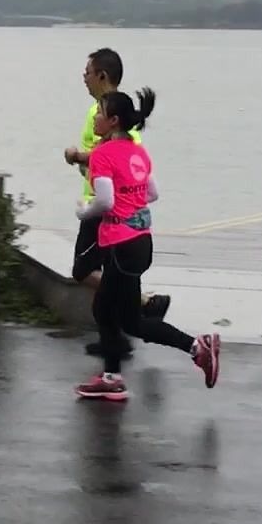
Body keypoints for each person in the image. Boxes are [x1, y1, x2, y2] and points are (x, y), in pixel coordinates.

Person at [73, 88, 220, 401]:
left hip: (122, 244)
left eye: (100, 112)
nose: (95, 117)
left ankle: (197, 347)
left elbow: (105, 200)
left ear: (113, 120)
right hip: (141, 243)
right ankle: (112, 377)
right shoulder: (139, 152)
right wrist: (131, 201)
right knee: (106, 308)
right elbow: (152, 194)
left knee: (130, 320)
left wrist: (83, 211)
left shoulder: (102, 154)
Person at [64, 47, 169, 360]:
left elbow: (123, 151)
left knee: (83, 270)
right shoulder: (101, 108)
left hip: (105, 208)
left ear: (102, 75)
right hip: (108, 205)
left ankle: (142, 310)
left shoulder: (112, 111)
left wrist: (77, 156)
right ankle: (113, 346)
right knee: (111, 274)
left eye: (87, 73)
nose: (83, 78)